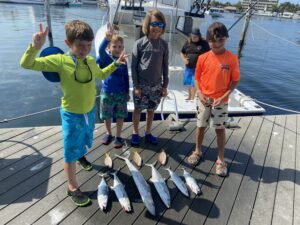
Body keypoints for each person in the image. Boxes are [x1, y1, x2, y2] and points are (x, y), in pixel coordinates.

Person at [20, 20, 126, 206]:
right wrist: (35, 47)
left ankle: (81, 156)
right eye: (79, 45)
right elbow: (27, 64)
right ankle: (72, 187)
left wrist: (115, 64)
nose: (84, 49)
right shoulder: (60, 61)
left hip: (89, 112)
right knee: (69, 152)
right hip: (71, 114)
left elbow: (100, 75)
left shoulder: (91, 61)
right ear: (68, 43)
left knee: (84, 142)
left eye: (88, 45)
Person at [187, 22, 240, 177]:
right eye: (213, 41)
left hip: (221, 101)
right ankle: (197, 151)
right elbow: (196, 78)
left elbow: (235, 80)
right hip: (203, 99)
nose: (216, 44)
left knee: (219, 129)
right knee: (200, 125)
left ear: (226, 39)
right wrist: (200, 93)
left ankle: (221, 159)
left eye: (220, 40)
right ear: (208, 40)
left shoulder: (232, 59)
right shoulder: (202, 57)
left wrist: (223, 97)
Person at [131, 9, 169, 146]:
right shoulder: (139, 43)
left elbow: (165, 67)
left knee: (151, 110)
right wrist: (136, 85)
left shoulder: (164, 45)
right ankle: (135, 132)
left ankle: (148, 132)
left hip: (156, 85)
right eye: (154, 24)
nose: (157, 28)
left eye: (161, 25)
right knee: (137, 109)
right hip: (141, 85)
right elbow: (134, 66)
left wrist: (165, 86)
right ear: (147, 25)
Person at [97, 24, 129, 148]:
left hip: (121, 93)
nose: (117, 49)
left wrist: (126, 92)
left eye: (120, 47)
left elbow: (126, 77)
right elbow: (100, 50)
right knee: (107, 115)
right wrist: (107, 38)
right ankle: (108, 133)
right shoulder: (105, 58)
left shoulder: (124, 60)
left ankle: (118, 136)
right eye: (114, 46)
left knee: (120, 116)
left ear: (123, 48)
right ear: (109, 48)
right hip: (107, 92)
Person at [180, 27, 210, 100]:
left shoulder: (204, 43)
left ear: (199, 36)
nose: (194, 38)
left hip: (198, 68)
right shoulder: (188, 42)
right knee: (189, 83)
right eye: (192, 36)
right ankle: (189, 96)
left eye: (195, 37)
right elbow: (182, 52)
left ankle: (192, 99)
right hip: (188, 67)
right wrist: (184, 59)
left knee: (194, 83)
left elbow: (209, 54)